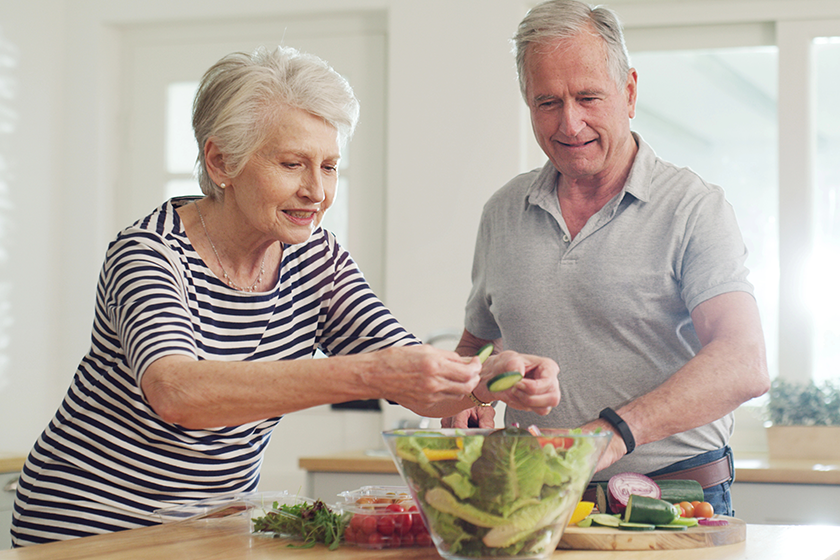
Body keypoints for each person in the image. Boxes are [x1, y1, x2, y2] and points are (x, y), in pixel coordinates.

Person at [11, 46, 561, 547]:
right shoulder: (150, 253)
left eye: (329, 167)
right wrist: (369, 374)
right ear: (222, 161)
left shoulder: (313, 257)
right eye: (292, 164)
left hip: (209, 526)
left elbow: (414, 378)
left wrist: (491, 380)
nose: (316, 192)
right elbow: (178, 392)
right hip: (85, 527)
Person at [444, 0, 770, 516]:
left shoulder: (693, 208)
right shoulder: (502, 211)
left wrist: (611, 435)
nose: (570, 123)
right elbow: (475, 348)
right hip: (535, 496)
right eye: (547, 102)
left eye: (588, 97)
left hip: (674, 500)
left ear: (630, 91)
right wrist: (473, 400)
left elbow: (744, 362)